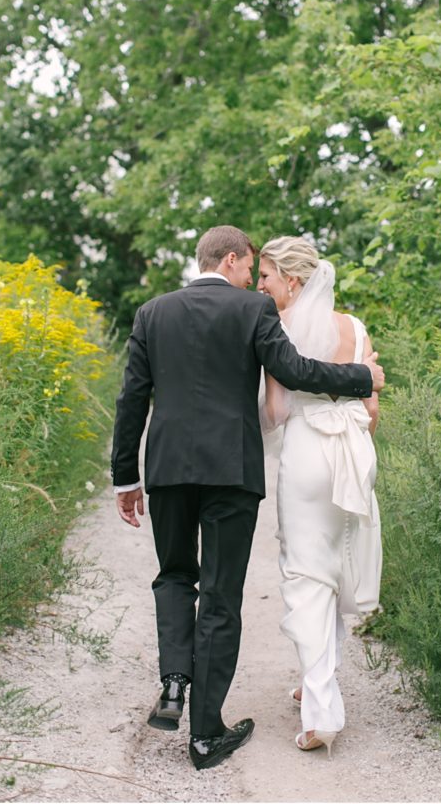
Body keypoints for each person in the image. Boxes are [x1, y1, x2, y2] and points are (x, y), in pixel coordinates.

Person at [111, 225, 384, 771]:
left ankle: (172, 683)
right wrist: (362, 375)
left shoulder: (151, 314)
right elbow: (295, 372)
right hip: (231, 471)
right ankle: (206, 734)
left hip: (167, 470)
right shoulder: (251, 313)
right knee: (219, 594)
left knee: (172, 576)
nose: (253, 281)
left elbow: (132, 400)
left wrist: (126, 479)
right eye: (249, 268)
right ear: (231, 259)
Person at [257, 236, 382, 757]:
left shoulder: (279, 331)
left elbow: (277, 413)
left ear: (291, 280)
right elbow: (373, 412)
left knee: (306, 577)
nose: (261, 285)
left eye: (266, 276)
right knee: (332, 567)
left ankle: (323, 713)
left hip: (309, 450)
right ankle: (317, 680)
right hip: (353, 451)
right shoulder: (354, 328)